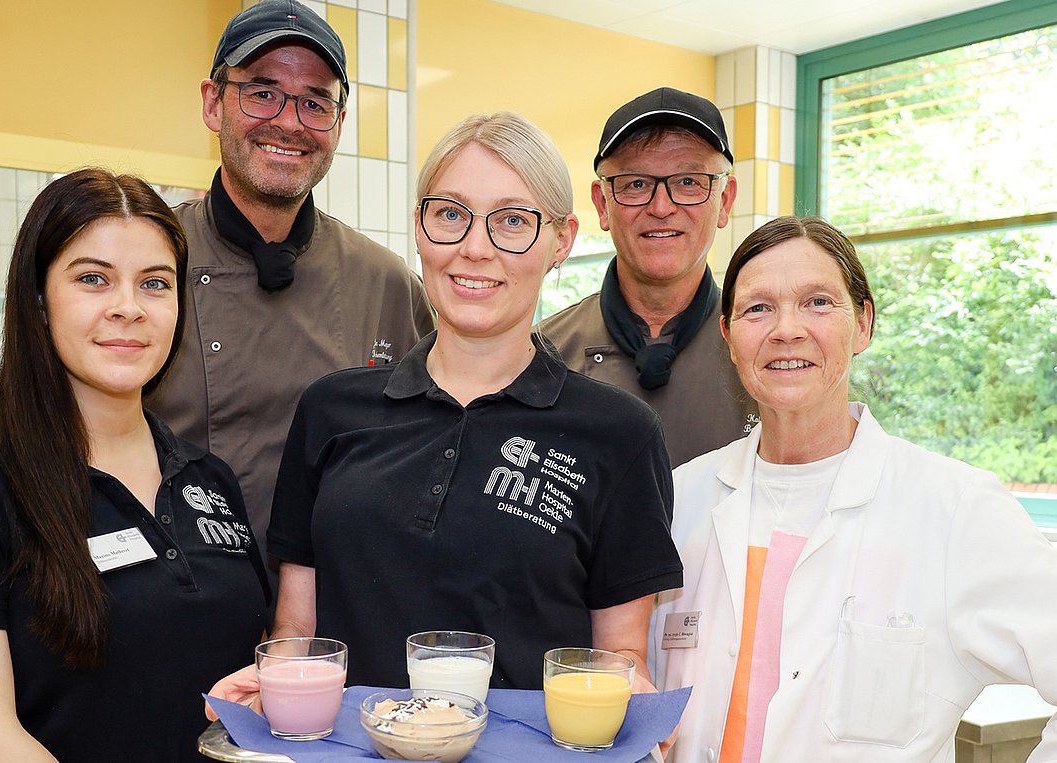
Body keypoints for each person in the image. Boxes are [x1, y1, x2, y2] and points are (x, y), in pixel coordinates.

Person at [208, 112, 682, 707]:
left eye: (512, 220)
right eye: (451, 215)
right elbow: (297, 635)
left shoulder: (618, 434)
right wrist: (264, 687)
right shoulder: (332, 409)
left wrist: (635, 708)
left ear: (561, 240)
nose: (475, 248)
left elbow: (618, 658)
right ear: (420, 227)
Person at [0, 169, 270, 763]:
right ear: (39, 300)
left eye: (155, 283)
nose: (128, 308)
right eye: (93, 279)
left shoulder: (209, 479)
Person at [650, 215, 1057, 762]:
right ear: (728, 336)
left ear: (863, 324)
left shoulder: (955, 511)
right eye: (757, 308)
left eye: (818, 302)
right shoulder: (681, 501)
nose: (786, 329)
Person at [146, 0, 435, 571]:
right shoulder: (149, 259)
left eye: (314, 102)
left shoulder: (385, 281)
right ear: (213, 102)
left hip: (334, 619)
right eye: (261, 91)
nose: (289, 121)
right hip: (172, 607)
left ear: (340, 122)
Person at [539, 87, 753, 468]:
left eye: (689, 181)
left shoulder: (762, 350)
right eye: (636, 183)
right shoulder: (539, 356)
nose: (661, 207)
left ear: (725, 201)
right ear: (602, 205)